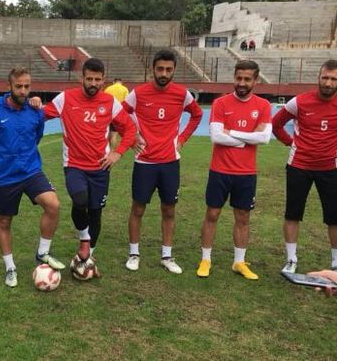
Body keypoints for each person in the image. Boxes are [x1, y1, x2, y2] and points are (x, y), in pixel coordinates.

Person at [42, 58, 137, 279]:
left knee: (96, 213)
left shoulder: (110, 102)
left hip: (100, 168)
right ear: (81, 78)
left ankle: (87, 258)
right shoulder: (65, 98)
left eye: (97, 79)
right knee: (80, 200)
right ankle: (84, 240)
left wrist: (117, 152)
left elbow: (130, 129)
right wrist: (34, 104)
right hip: (74, 165)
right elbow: (40, 116)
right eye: (89, 79)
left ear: (103, 80)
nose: (93, 83)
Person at [0, 67, 65, 288]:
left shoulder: (36, 111)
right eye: (19, 86)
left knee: (53, 205)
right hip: (5, 177)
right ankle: (10, 267)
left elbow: (36, 136)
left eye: (27, 86)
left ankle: (42, 254)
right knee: (5, 221)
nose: (23, 90)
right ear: (9, 86)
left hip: (31, 171)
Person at [122, 49, 203, 274]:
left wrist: (183, 138)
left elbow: (197, 115)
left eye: (168, 69)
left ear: (174, 70)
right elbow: (119, 115)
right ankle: (134, 253)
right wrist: (132, 139)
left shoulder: (181, 94)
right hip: (144, 162)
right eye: (160, 69)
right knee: (138, 208)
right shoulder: (138, 93)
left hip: (169, 162)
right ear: (153, 69)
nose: (164, 73)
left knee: (169, 210)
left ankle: (167, 256)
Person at [196, 60, 272, 280]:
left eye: (247, 79)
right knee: (212, 213)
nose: (241, 82)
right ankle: (205, 259)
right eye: (238, 78)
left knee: (243, 217)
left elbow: (264, 138)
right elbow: (216, 136)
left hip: (246, 173)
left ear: (255, 81)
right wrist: (248, 138)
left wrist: (234, 134)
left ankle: (239, 262)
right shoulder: (220, 103)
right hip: (220, 170)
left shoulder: (263, 106)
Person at [272, 59, 337, 274]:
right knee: (293, 213)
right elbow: (276, 123)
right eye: (325, 77)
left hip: (330, 168)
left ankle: (336, 261)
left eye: (333, 79)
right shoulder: (299, 102)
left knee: (334, 216)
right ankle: (291, 259)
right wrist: (290, 142)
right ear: (318, 78)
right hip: (299, 166)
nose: (328, 83)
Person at [104, 78, 130, 148]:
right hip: (118, 114)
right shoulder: (125, 89)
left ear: (113, 82)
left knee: (107, 133)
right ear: (121, 82)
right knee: (114, 134)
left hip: (108, 113)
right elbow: (127, 102)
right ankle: (112, 151)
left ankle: (108, 148)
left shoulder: (108, 89)